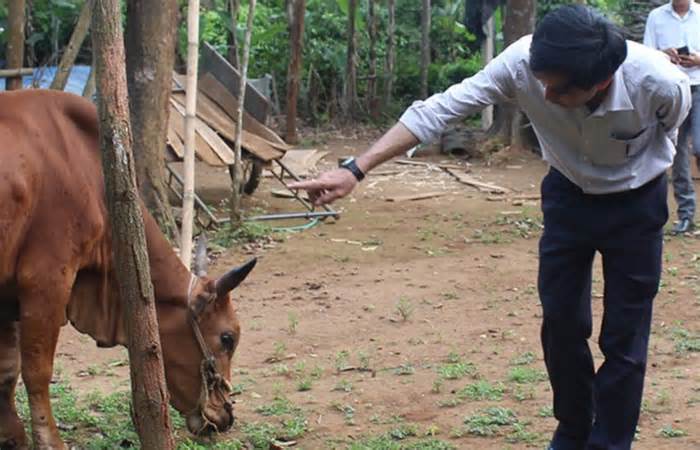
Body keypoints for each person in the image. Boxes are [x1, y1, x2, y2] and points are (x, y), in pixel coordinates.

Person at [290, 5, 691, 450]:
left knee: (625, 335)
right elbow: (438, 110)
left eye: (557, 90)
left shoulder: (659, 84)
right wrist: (355, 170)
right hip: (567, 197)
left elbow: (669, 133)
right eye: (541, 81)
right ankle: (574, 429)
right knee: (561, 323)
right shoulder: (523, 63)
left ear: (599, 83)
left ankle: (609, 442)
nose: (544, 94)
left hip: (636, 204)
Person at [644, 0, 700, 234]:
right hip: (672, 91)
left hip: (699, 87)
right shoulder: (656, 16)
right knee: (676, 153)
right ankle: (686, 214)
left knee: (699, 147)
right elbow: (647, 53)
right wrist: (665, 55)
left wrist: (698, 60)